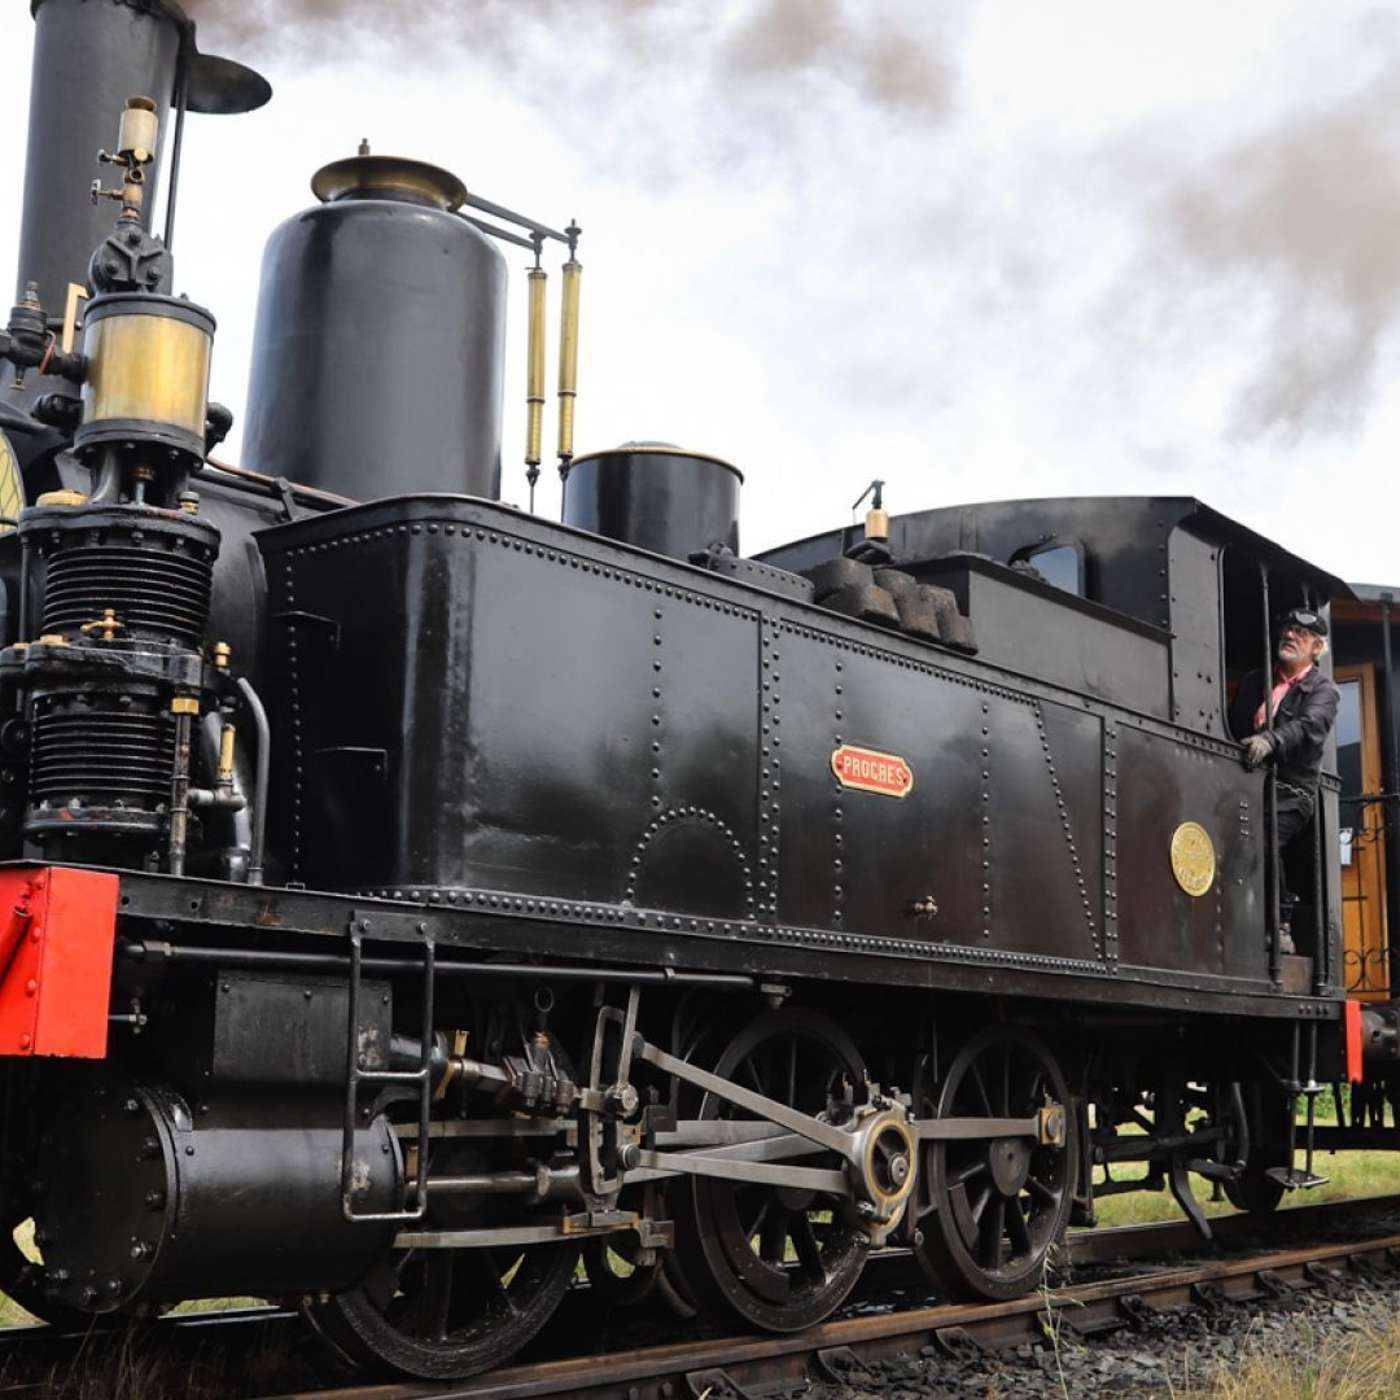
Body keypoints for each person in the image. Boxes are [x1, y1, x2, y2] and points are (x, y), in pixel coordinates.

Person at [1227, 608, 1339, 952]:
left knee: (1265, 832)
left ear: (1316, 647)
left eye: (1300, 634)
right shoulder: (1253, 681)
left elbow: (1308, 727)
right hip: (1247, 781)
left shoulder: (1324, 691)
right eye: (1287, 630)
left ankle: (1280, 923)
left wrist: (1270, 740)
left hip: (1291, 790)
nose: (1289, 636)